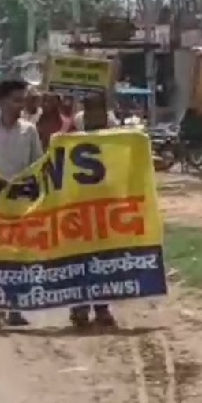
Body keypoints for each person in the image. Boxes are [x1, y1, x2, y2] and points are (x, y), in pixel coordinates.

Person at [0, 78, 44, 330]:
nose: (20, 106)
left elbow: (37, 164)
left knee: (19, 257)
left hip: (21, 203)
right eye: (15, 100)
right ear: (1, 102)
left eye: (23, 101)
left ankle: (15, 307)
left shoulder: (29, 131)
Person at [67, 90, 121, 328]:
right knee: (79, 256)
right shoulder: (74, 128)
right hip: (78, 202)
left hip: (105, 202)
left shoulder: (115, 128)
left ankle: (102, 307)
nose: (93, 118)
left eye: (97, 112)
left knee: (103, 258)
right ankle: (79, 306)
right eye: (90, 113)